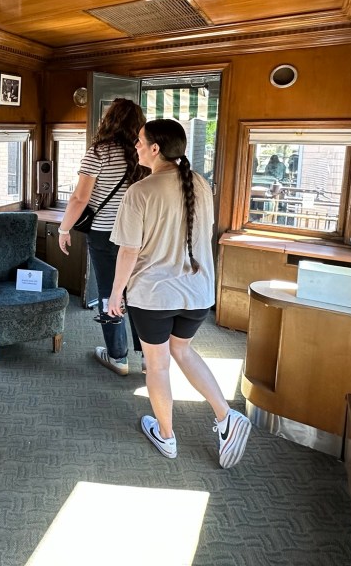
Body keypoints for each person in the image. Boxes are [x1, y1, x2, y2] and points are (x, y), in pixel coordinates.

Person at [108, 119, 251, 468]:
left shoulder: (139, 192)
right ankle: (225, 417)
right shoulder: (200, 184)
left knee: (157, 366)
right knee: (182, 351)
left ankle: (167, 436)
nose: (136, 146)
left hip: (154, 295)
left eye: (139, 141)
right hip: (198, 293)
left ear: (155, 149)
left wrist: (115, 295)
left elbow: (128, 252)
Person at [57, 97, 148, 376]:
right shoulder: (143, 154)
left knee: (112, 293)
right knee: (137, 294)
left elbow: (79, 198)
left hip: (104, 234)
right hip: (138, 235)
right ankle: (148, 357)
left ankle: (118, 357)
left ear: (108, 120)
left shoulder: (98, 153)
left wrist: (63, 229)